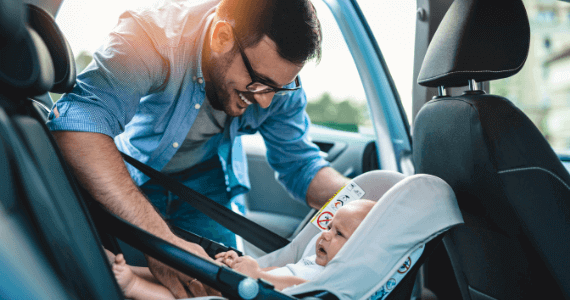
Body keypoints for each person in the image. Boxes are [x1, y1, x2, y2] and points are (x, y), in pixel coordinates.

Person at [47, 0, 349, 297]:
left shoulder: (277, 83)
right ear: (221, 37)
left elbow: (301, 166)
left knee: (221, 288)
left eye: (278, 89)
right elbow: (78, 124)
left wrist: (371, 203)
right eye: (259, 83)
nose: (266, 101)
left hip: (206, 181)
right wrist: (162, 241)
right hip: (130, 179)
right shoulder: (152, 36)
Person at [107, 200, 375, 299]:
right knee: (189, 269)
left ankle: (134, 288)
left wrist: (257, 276)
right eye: (329, 227)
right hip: (246, 288)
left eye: (338, 233)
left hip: (250, 294)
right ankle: (129, 270)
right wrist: (240, 265)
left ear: (358, 251)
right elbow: (275, 271)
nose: (325, 236)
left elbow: (293, 285)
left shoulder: (331, 281)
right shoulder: (312, 262)